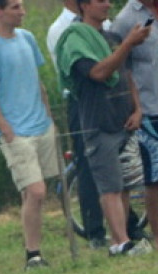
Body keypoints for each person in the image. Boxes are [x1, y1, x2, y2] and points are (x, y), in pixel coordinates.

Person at [56, 1, 151, 257]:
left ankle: (126, 237)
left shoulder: (110, 37)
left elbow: (126, 74)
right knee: (109, 186)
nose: (107, 4)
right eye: (100, 0)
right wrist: (129, 44)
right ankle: (118, 243)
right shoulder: (75, 38)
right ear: (84, 5)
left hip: (124, 120)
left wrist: (137, 108)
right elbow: (98, 72)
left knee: (125, 184)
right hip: (98, 123)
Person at [0, 0, 59, 270]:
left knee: (34, 193)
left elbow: (36, 79)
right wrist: (6, 130)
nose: (22, 11)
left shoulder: (28, 38)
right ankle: (32, 254)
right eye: (15, 7)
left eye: (21, 6)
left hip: (41, 125)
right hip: (15, 132)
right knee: (35, 191)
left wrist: (48, 115)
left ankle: (34, 252)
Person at [48, 0, 108, 248]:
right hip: (80, 100)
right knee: (86, 162)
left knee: (117, 160)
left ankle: (128, 223)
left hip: (108, 97)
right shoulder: (60, 29)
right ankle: (94, 229)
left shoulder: (104, 22)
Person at [113, 0, 158, 242]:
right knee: (155, 179)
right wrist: (136, 107)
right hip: (150, 108)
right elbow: (120, 65)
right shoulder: (126, 19)